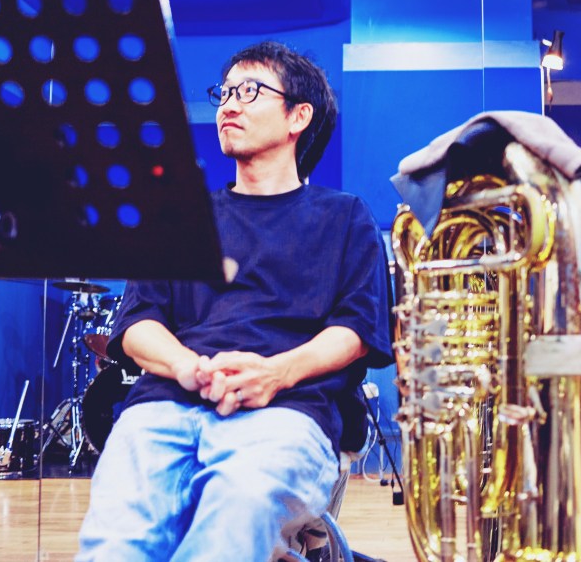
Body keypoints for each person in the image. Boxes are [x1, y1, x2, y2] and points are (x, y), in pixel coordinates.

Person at [76, 41, 392, 561]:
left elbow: (357, 331)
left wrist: (275, 372)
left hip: (288, 409)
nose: (228, 105)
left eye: (249, 91)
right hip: (164, 405)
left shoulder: (344, 217)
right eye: (224, 93)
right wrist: (189, 368)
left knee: (234, 516)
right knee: (118, 542)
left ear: (298, 116)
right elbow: (137, 324)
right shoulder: (182, 217)